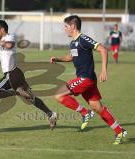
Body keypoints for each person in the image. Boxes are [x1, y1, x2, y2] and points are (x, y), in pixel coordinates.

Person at [0, 12, 57, 129]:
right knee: (30, 98)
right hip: (15, 73)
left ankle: (16, 92)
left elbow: (8, 45)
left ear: (2, 29)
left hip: (12, 73)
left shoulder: (10, 36)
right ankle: (50, 114)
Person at [50, 15, 127, 144]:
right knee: (98, 108)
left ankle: (85, 113)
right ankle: (119, 131)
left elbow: (103, 50)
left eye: (66, 26)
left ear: (73, 26)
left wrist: (104, 70)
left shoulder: (83, 39)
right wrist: (58, 59)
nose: (64, 29)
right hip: (87, 80)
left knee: (58, 95)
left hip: (86, 78)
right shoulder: (73, 42)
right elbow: (72, 57)